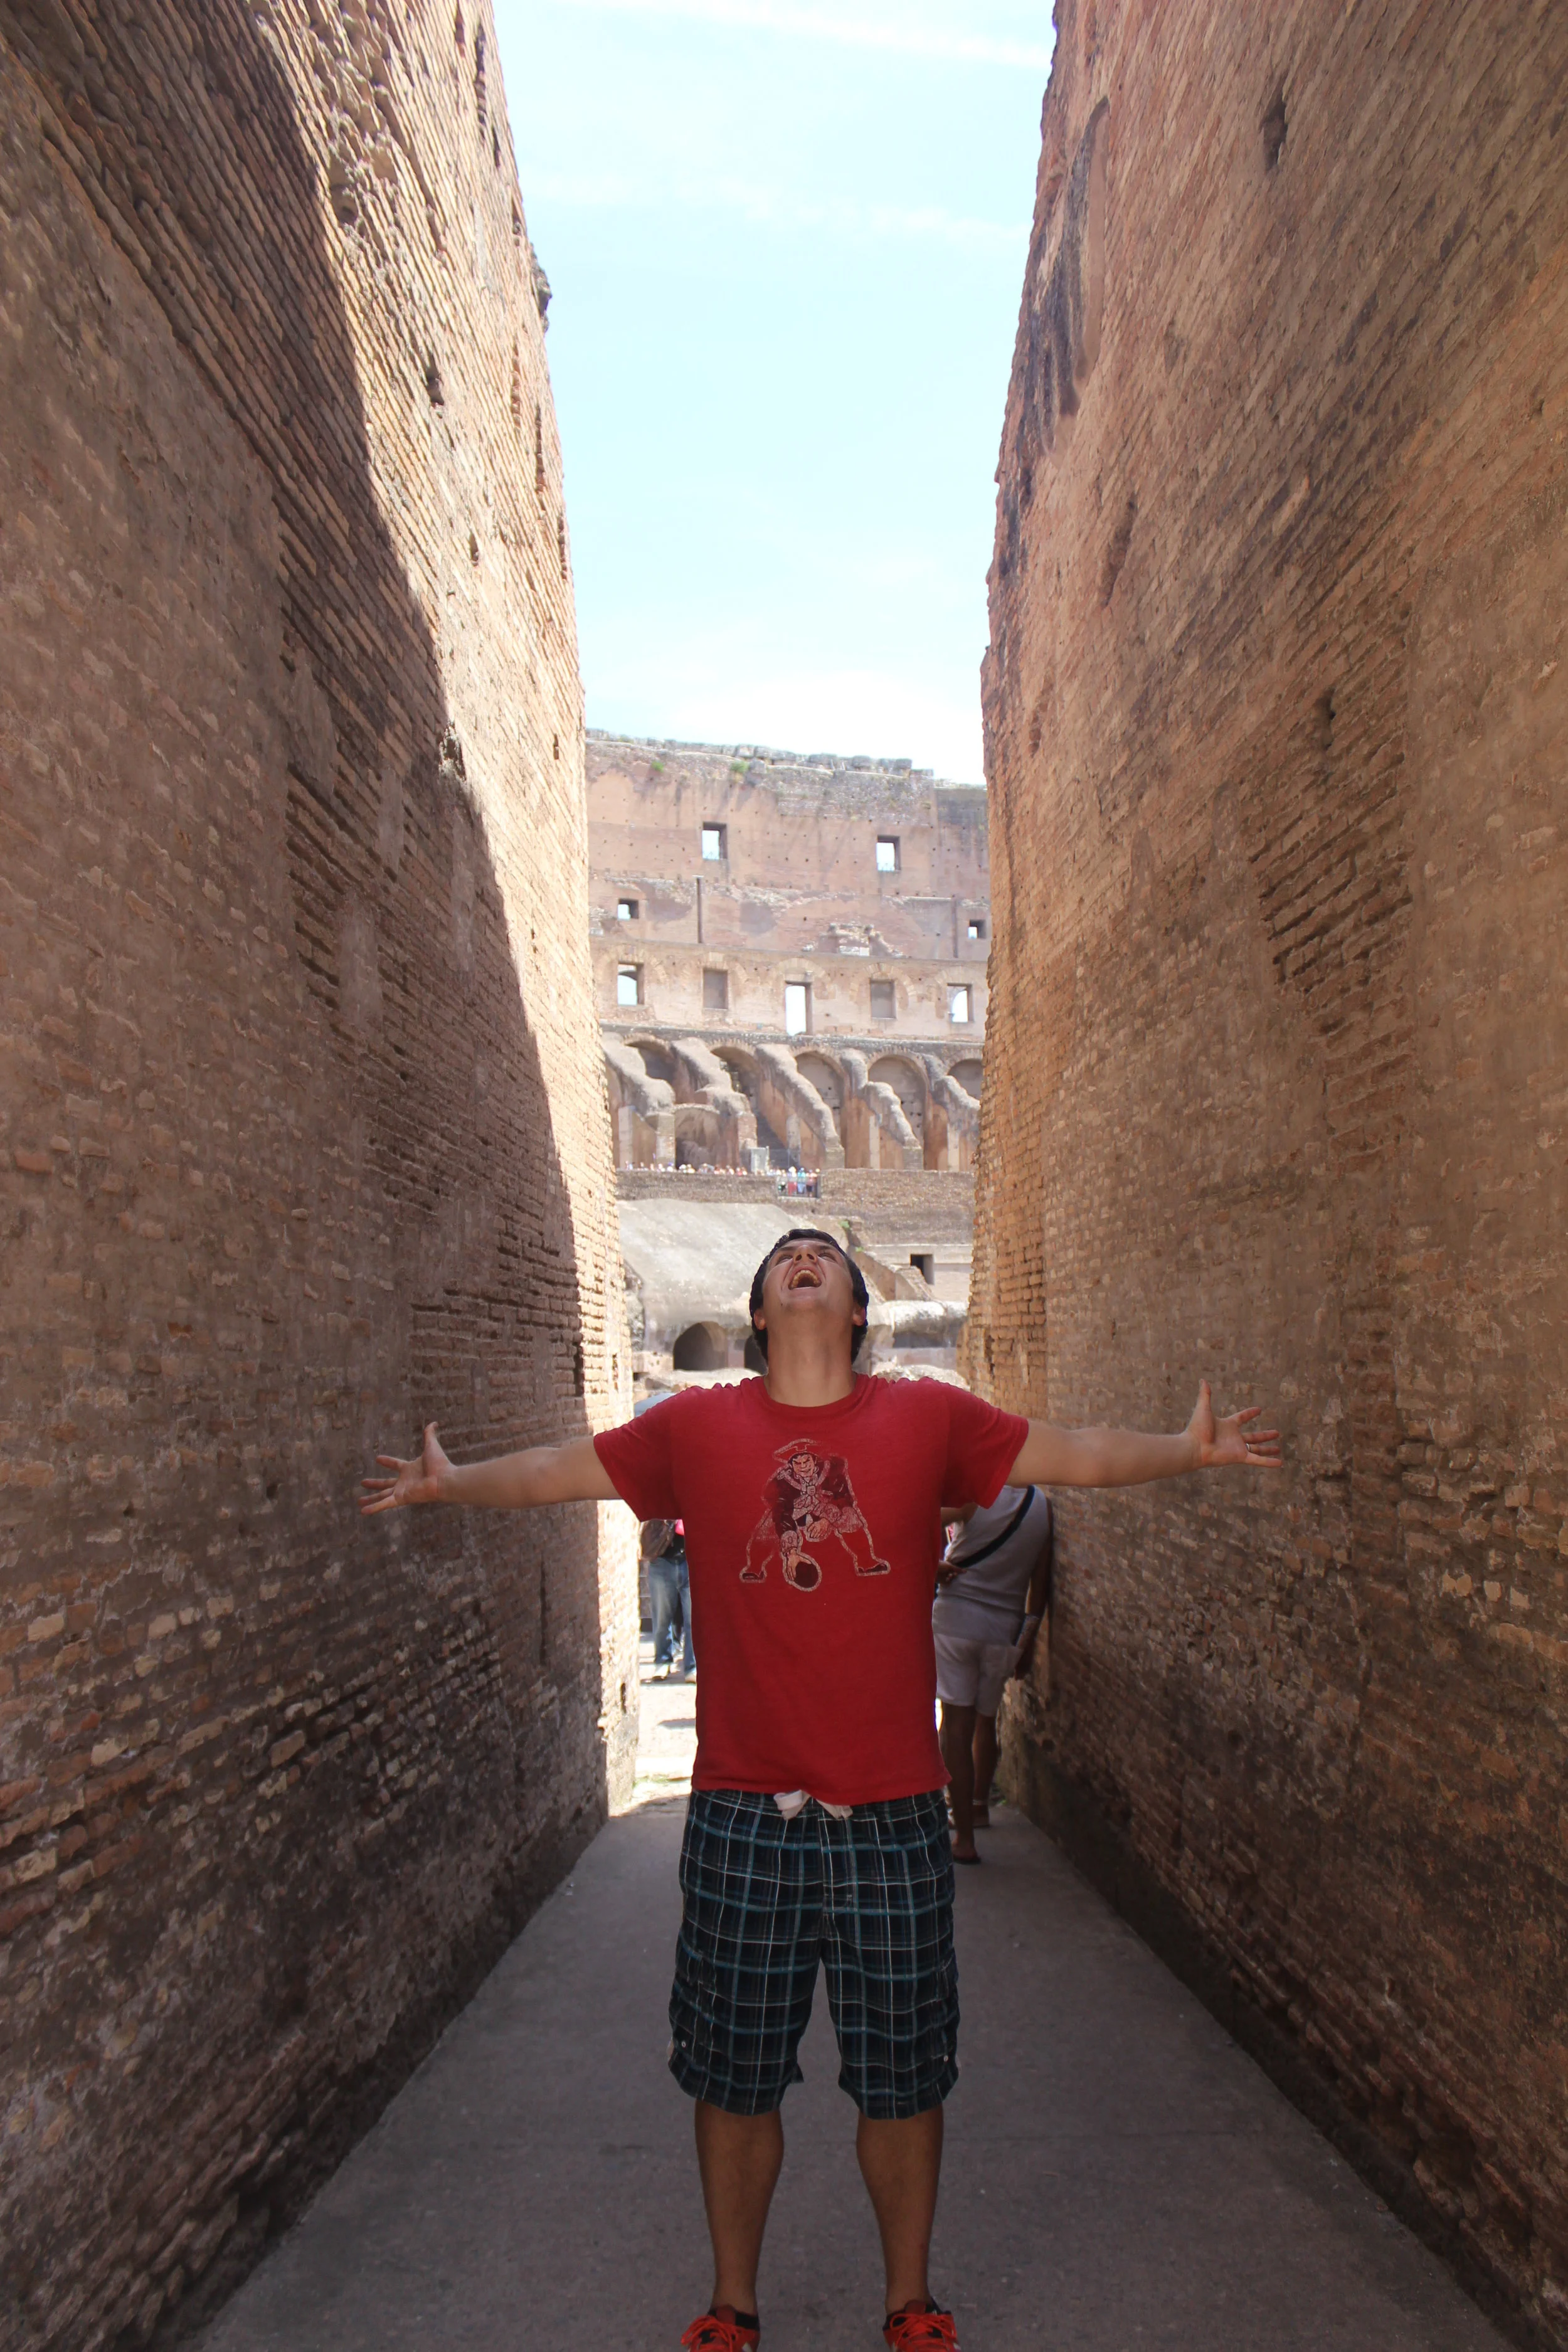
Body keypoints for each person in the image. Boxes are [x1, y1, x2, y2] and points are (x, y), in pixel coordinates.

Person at [362, 1228, 1281, 2351]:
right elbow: (565, 1470)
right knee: (734, 2075)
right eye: (784, 1257)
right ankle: (732, 2305)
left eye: (824, 1255)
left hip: (893, 1813)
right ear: (760, 1312)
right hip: (744, 1811)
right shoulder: (696, 1428)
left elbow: (1070, 1451)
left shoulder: (928, 1418)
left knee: (903, 2075)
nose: (804, 1258)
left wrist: (1182, 1452)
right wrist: (454, 1483)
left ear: (856, 1309)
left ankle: (911, 2302)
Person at [933, 1486, 1052, 1862]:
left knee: (956, 1727)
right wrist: (1026, 1642)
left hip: (956, 1622)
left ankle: (964, 1838)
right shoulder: (1043, 1507)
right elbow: (1040, 1586)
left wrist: (932, 1566)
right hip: (1003, 1630)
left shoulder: (973, 1496)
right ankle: (980, 1806)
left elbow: (912, 1520)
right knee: (986, 1720)